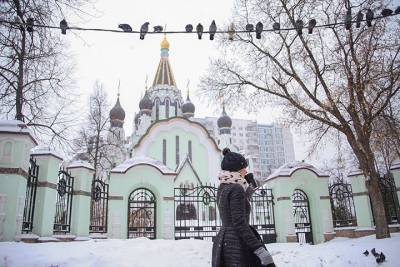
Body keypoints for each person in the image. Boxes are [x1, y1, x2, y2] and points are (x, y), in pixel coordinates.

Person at [212, 148, 275, 267]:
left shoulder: (223, 187)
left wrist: (248, 186)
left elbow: (236, 207)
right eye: (244, 168)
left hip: (224, 240)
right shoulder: (237, 188)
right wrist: (259, 249)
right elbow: (239, 223)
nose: (246, 171)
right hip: (237, 243)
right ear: (236, 169)